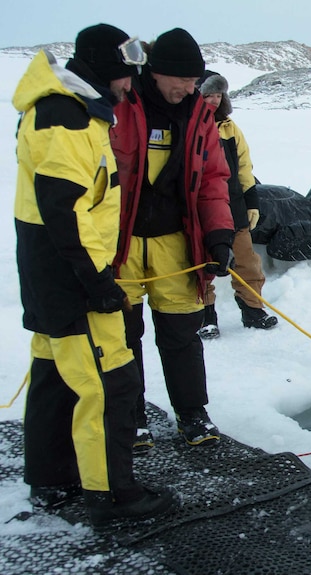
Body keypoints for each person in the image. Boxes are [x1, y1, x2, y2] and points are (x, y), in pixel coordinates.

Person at [13, 23, 179, 529]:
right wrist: (98, 285)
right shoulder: (64, 118)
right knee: (112, 384)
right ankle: (113, 496)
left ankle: (52, 478)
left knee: (56, 378)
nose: (131, 85)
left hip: (52, 275)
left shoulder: (73, 113)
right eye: (127, 75)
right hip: (71, 278)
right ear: (106, 70)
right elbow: (65, 211)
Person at [111, 28, 234, 451]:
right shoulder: (123, 105)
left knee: (182, 332)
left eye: (193, 81)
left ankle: (192, 413)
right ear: (158, 72)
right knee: (122, 333)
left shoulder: (200, 115)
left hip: (174, 243)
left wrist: (219, 236)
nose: (189, 88)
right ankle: (131, 416)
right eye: (182, 80)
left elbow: (214, 181)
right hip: (120, 242)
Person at [196, 70, 278, 339]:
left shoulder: (230, 128)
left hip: (233, 207)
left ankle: (253, 310)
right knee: (201, 265)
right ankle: (205, 316)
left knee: (247, 263)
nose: (213, 100)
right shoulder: (188, 127)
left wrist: (251, 200)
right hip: (199, 210)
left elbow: (244, 166)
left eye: (218, 95)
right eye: (207, 95)